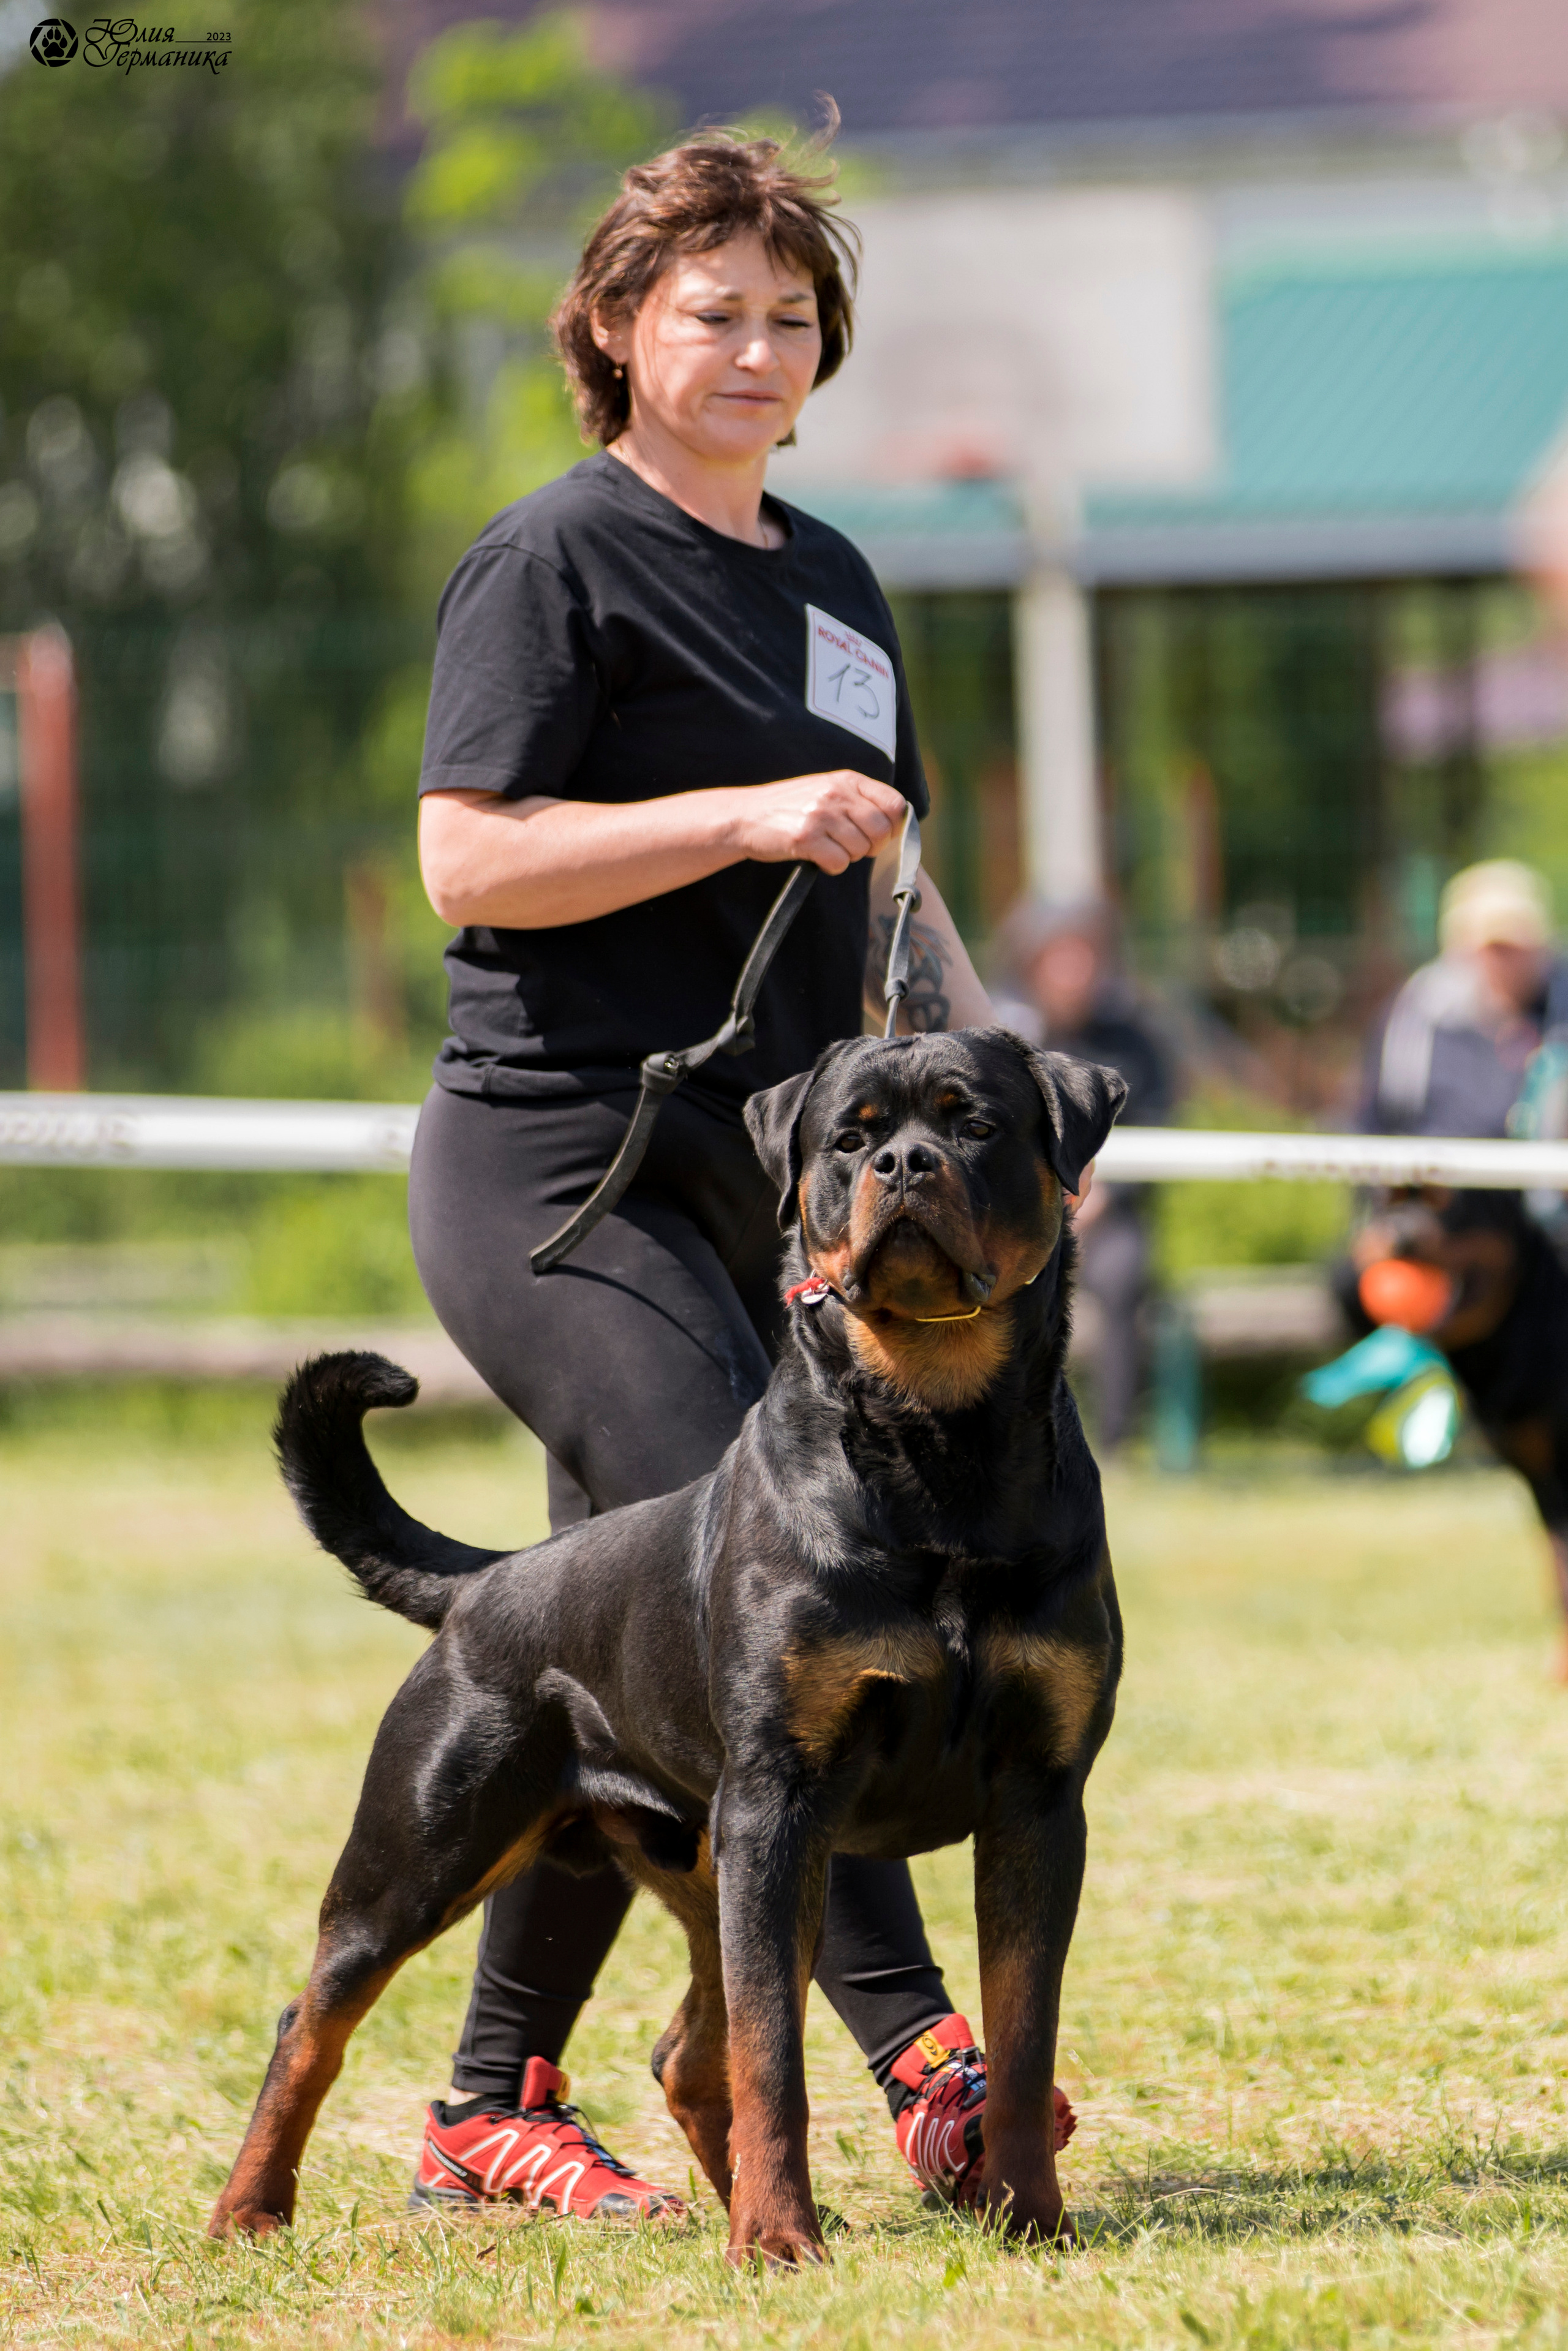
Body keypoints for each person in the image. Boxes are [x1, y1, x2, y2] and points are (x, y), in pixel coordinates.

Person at [404, 126, 1074, 2224]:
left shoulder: (837, 581)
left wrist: (1011, 1119)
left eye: (790, 316)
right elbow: (467, 855)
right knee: (788, 1568)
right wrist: (735, 811)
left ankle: (490, 2097)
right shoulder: (550, 562)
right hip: (559, 1163)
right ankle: (917, 2054)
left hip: (780, 1171)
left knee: (610, 1648)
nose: (756, 347)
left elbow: (896, 880)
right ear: (617, 326)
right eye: (713, 310)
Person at [993, 899, 1175, 1447]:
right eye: (1060, 957)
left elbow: (1159, 1128)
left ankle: (1113, 1441)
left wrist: (1105, 1195)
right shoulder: (1004, 1038)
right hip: (1017, 1212)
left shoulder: (1135, 1041)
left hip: (1109, 1216)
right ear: (1032, 962)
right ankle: (1007, 1438)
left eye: (1085, 956)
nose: (1075, 971)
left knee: (1122, 1275)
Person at [1360, 860, 1568, 1142]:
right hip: (1443, 1178)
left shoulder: (1558, 1011)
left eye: (1514, 947)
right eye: (1491, 948)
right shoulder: (1415, 1019)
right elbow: (1374, 1122)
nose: (1501, 963)